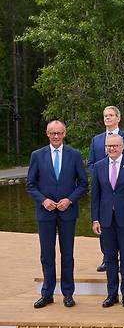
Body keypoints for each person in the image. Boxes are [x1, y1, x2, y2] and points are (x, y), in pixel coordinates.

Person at [27, 120, 88, 309]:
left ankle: (68, 294)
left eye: (59, 133)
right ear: (47, 134)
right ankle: (47, 293)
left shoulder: (75, 155)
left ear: (64, 134)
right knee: (47, 255)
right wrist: (43, 200)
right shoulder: (37, 156)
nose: (56, 136)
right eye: (52, 133)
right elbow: (30, 185)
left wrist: (69, 200)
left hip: (67, 212)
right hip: (45, 213)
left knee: (67, 254)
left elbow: (83, 184)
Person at [91, 134, 124, 308]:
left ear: (122, 146)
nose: (112, 149)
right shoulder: (99, 167)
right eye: (109, 146)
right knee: (110, 258)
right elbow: (96, 197)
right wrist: (95, 219)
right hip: (106, 220)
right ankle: (111, 294)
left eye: (115, 145)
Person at [88, 106, 124, 273]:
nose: (107, 118)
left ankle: (123, 261)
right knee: (105, 230)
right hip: (104, 190)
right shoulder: (96, 140)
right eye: (105, 116)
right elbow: (91, 163)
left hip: (123, 191)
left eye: (110, 115)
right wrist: (100, 178)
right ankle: (107, 258)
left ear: (118, 118)